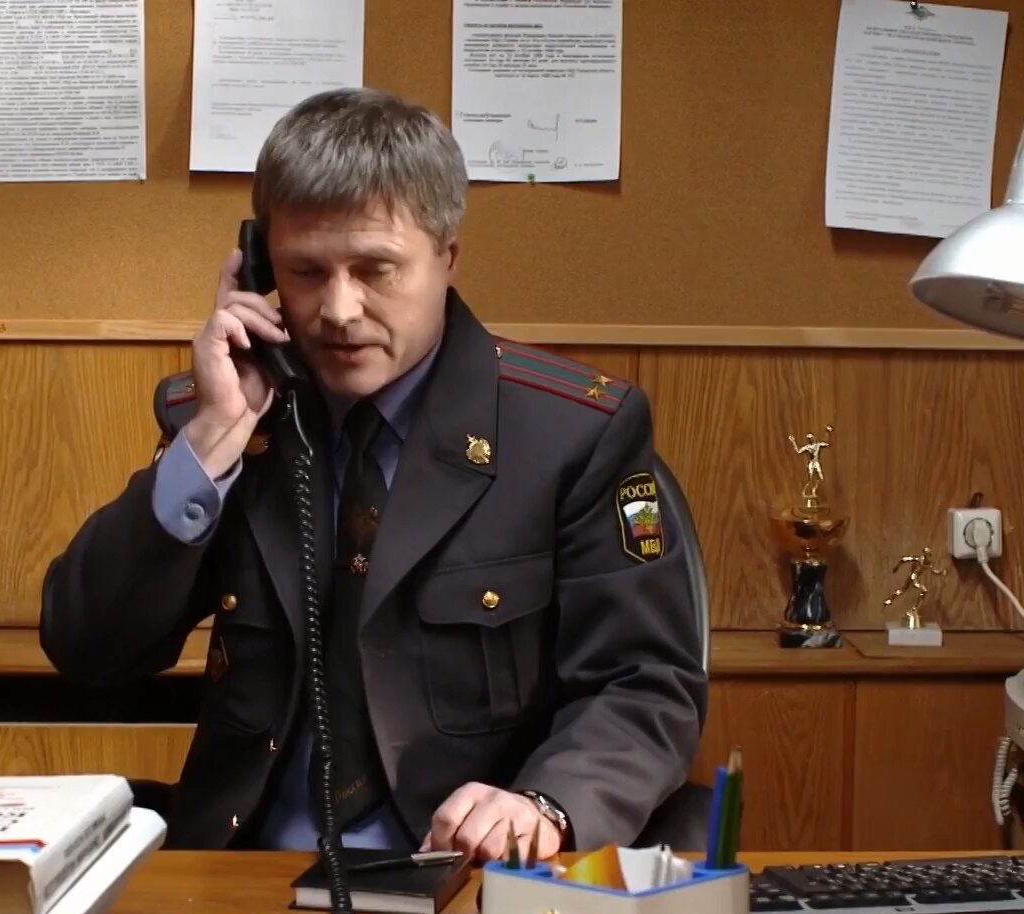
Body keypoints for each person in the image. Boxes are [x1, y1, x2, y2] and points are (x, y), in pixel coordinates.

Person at [39, 87, 704, 864]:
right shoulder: (226, 419)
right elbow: (89, 648)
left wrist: (544, 806)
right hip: (247, 873)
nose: (339, 310)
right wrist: (214, 440)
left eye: (375, 269)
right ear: (259, 268)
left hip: (464, 876)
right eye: (305, 271)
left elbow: (644, 684)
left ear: (447, 257)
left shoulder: (570, 434)